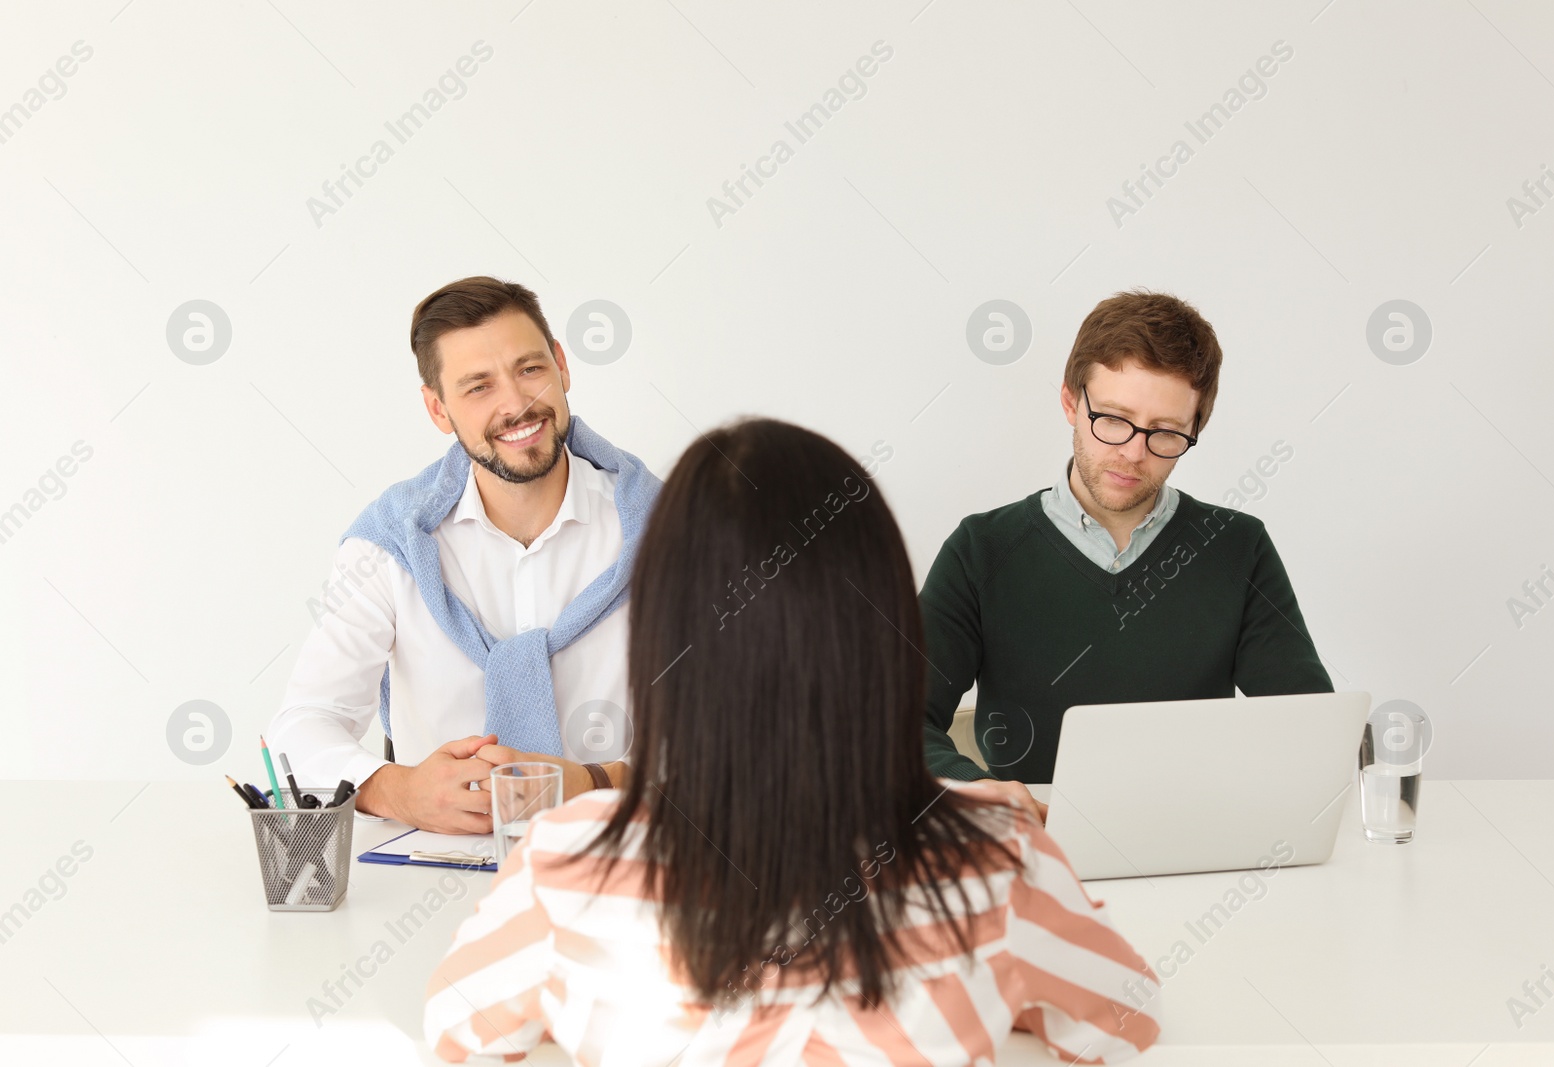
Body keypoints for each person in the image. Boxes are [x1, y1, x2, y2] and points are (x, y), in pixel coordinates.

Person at [423, 418, 1162, 1064]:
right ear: (888, 632)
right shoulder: (998, 861)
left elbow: (457, 1034)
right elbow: (1126, 1022)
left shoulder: (562, 865)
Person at [266, 276, 659, 833]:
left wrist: (597, 784)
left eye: (530, 369)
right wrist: (400, 792)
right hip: (426, 875)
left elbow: (739, 744)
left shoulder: (668, 533)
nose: (517, 404)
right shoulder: (389, 546)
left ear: (562, 367)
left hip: (621, 862)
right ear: (438, 409)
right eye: (478, 387)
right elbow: (302, 724)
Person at [922, 290, 1334, 821]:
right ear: (1071, 402)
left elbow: (1309, 729)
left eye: (1165, 432)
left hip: (1197, 838)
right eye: (1113, 419)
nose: (1133, 452)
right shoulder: (980, 551)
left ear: (1195, 429)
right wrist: (971, 787)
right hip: (1033, 844)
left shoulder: (1238, 547)